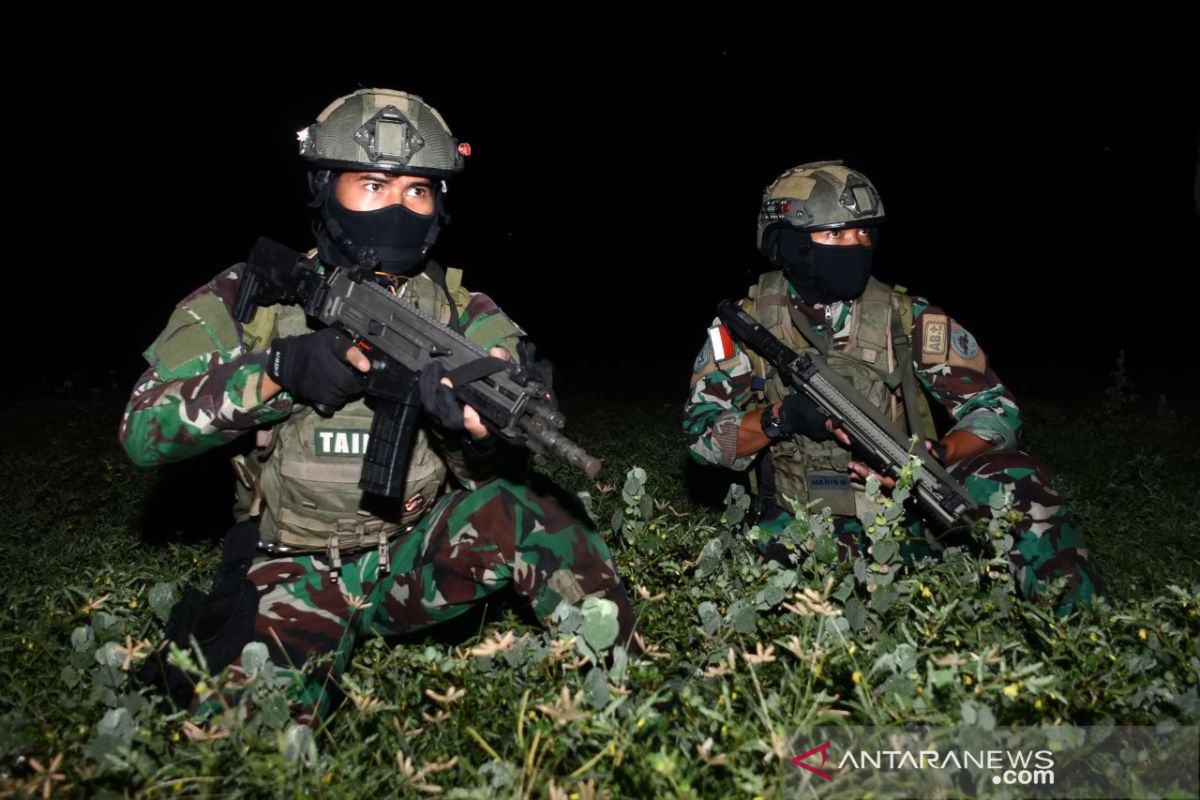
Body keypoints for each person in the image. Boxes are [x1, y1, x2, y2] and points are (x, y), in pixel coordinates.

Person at [121, 88, 635, 721]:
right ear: (326, 191)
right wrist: (278, 372)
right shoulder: (249, 298)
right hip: (295, 567)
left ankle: (623, 693)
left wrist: (473, 434)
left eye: (417, 190)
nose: (397, 207)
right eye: (372, 186)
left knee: (537, 509)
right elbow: (142, 431)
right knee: (252, 742)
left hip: (411, 554)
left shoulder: (458, 312)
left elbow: (496, 427)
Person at [684, 160, 1104, 614]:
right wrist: (780, 419)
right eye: (835, 234)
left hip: (906, 514)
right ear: (787, 241)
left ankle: (1085, 631)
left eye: (864, 234)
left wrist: (932, 457)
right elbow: (703, 439)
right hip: (799, 520)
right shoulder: (743, 328)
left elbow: (995, 410)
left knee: (1012, 476)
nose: (855, 245)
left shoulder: (907, 318)